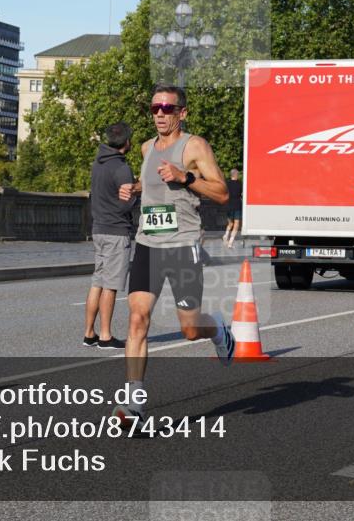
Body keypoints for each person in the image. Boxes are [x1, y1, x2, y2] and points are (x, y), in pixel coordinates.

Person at [112, 85, 233, 425]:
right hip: (149, 243)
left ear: (183, 113)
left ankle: (220, 330)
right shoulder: (146, 147)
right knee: (137, 318)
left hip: (182, 246)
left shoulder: (195, 146)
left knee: (191, 328)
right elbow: (154, 185)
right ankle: (134, 403)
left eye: (167, 108)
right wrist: (134, 187)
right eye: (155, 109)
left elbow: (222, 192)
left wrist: (186, 177)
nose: (160, 114)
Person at [83, 122, 137, 349]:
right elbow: (125, 204)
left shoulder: (98, 162)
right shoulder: (122, 168)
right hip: (116, 231)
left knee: (98, 282)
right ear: (127, 142)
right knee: (111, 286)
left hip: (99, 228)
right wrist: (137, 196)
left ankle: (89, 333)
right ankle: (105, 336)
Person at [223, 168, 243, 249]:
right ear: (236, 175)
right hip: (237, 205)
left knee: (231, 223)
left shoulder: (226, 184)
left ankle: (229, 240)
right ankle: (228, 238)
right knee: (235, 224)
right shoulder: (239, 183)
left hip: (230, 205)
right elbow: (241, 193)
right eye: (237, 174)